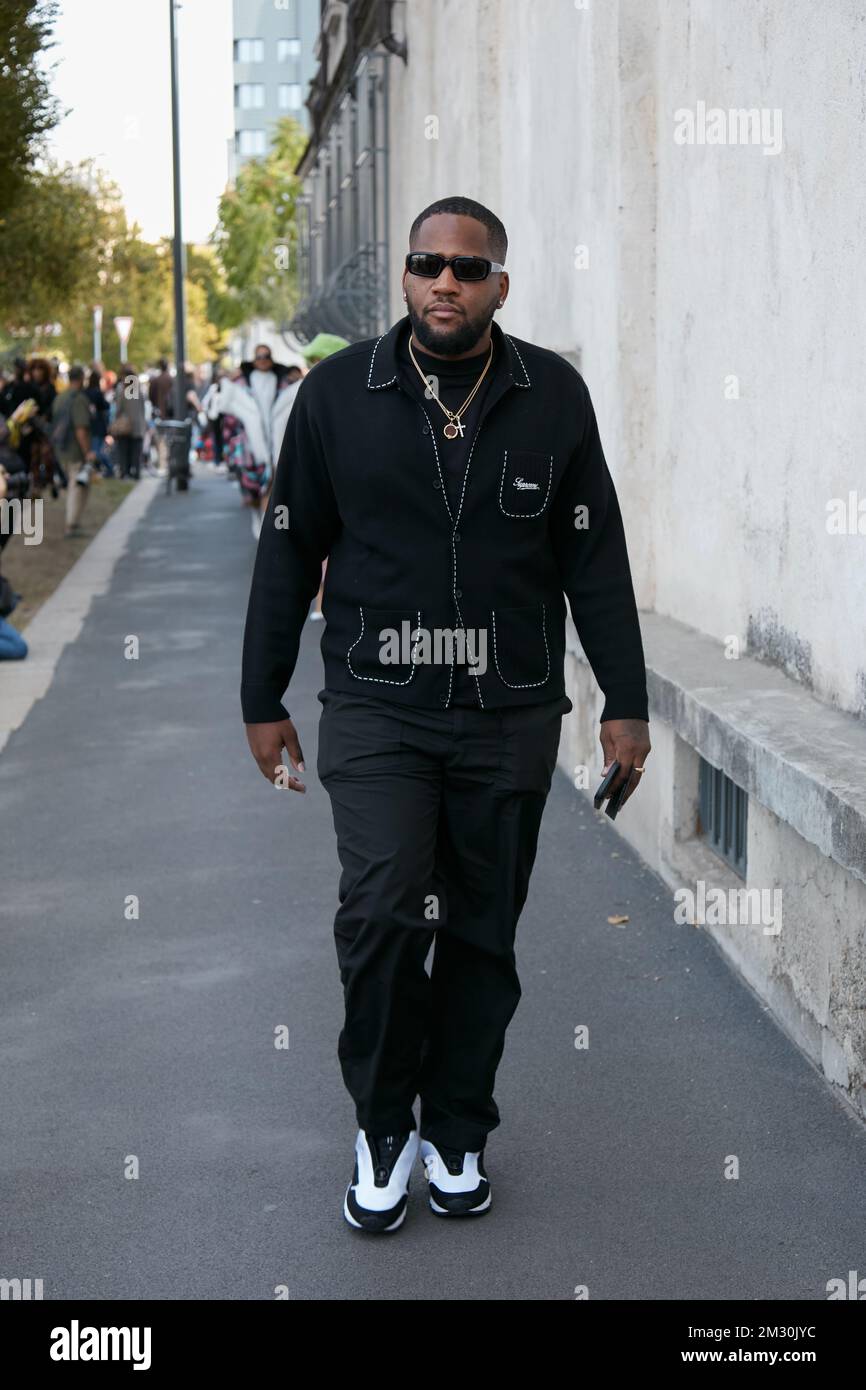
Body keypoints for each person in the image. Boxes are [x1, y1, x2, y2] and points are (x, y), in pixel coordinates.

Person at [240, 195, 652, 1233]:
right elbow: (288, 547)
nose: (443, 282)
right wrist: (261, 695)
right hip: (377, 705)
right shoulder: (337, 396)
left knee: (479, 935)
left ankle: (456, 1128)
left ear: (497, 286)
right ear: (407, 278)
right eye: (427, 264)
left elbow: (591, 558)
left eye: (467, 269)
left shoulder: (551, 396)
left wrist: (625, 702)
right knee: (379, 913)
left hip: (508, 711)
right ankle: (384, 1126)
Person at [213, 344, 302, 538]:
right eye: (259, 356)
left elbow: (296, 399)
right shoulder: (242, 382)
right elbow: (223, 405)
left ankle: (274, 531)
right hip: (250, 447)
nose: (262, 359)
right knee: (255, 490)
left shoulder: (283, 381)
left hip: (277, 445)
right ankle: (265, 525)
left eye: (266, 356)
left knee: (275, 488)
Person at [51, 365, 97, 537]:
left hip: (61, 448)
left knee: (73, 486)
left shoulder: (59, 398)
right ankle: (71, 524)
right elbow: (81, 429)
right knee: (77, 487)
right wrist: (88, 452)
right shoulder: (78, 399)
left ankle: (73, 522)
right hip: (75, 450)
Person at [111, 365, 147, 479]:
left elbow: (118, 409)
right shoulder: (139, 390)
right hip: (138, 426)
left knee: (124, 451)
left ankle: (124, 472)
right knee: (136, 452)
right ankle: (136, 472)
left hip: (125, 426)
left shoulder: (123, 390)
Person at [85, 369, 111, 476]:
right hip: (98, 426)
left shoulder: (85, 393)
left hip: (89, 426)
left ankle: (96, 470)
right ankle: (109, 468)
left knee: (95, 449)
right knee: (97, 451)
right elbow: (106, 406)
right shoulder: (97, 393)